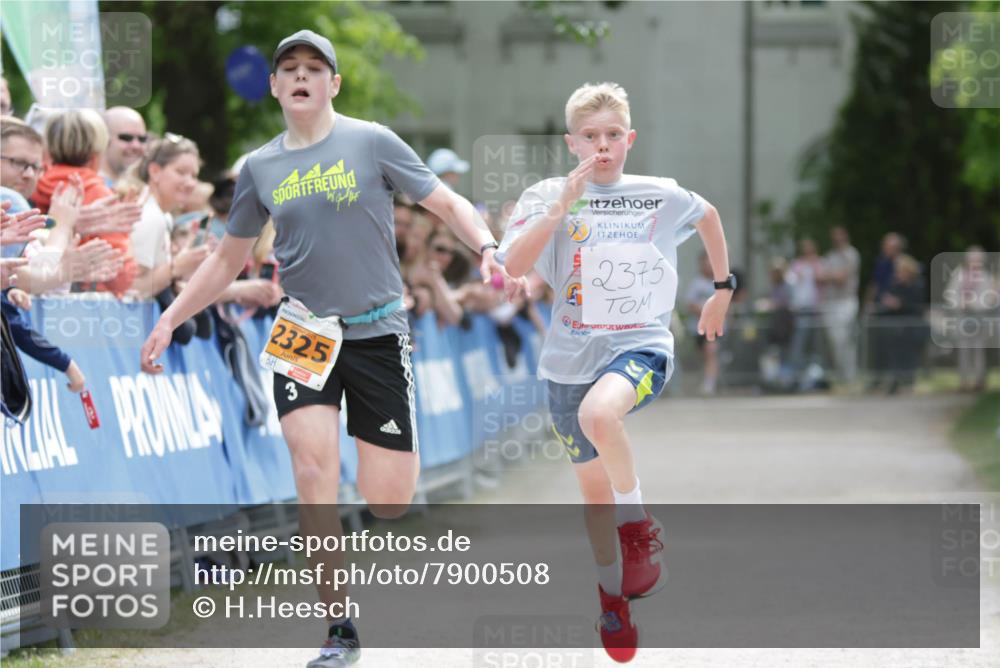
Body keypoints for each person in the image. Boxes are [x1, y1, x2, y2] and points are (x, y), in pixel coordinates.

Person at [139, 29, 519, 668]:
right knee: (311, 469)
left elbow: (446, 201)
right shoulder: (262, 166)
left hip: (377, 330)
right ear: (276, 86)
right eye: (289, 67)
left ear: (333, 83)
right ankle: (338, 627)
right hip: (303, 330)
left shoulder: (371, 141)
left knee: (388, 500)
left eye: (316, 67)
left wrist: (487, 246)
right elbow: (228, 258)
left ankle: (374, 471)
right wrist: (170, 316)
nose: (302, 76)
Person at [498, 82, 733, 663]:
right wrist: (560, 207)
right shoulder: (545, 194)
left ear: (629, 139)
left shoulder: (656, 194)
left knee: (600, 414)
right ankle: (612, 597)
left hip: (640, 345)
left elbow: (708, 215)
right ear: (571, 142)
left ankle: (639, 522)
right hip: (568, 358)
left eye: (612, 136)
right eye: (590, 137)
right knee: (591, 492)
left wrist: (723, 289)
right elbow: (515, 268)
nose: (602, 147)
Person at [32, 109, 137, 295]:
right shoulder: (98, 194)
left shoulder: (32, 186)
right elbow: (121, 274)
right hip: (83, 306)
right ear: (97, 153)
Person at [945, 246, 995, 392]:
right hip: (962, 319)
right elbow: (950, 294)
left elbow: (989, 300)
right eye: (972, 259)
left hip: (980, 319)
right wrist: (959, 303)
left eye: (977, 260)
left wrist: (971, 303)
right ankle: (964, 381)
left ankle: (979, 381)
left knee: (978, 350)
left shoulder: (986, 277)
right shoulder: (959, 275)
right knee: (963, 350)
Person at [819, 226, 860, 384]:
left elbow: (842, 278)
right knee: (834, 341)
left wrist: (830, 276)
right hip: (831, 302)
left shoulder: (851, 254)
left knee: (845, 340)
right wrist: (832, 276)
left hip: (846, 301)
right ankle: (840, 375)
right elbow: (821, 277)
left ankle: (850, 375)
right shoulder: (831, 256)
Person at [683, 251, 719, 395]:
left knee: (710, 352)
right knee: (704, 356)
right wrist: (704, 311)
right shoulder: (696, 283)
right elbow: (690, 304)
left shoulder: (719, 282)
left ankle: (709, 384)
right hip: (698, 328)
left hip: (714, 327)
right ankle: (705, 380)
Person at [100, 106, 148, 186]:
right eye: (126, 138)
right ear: (104, 139)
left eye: (142, 139)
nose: (136, 146)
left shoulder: (145, 191)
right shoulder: (87, 189)